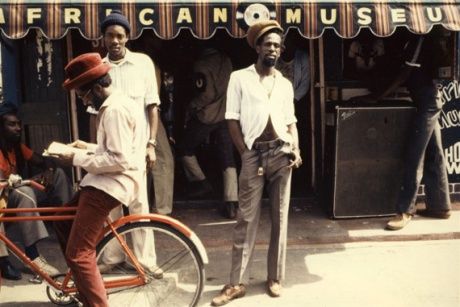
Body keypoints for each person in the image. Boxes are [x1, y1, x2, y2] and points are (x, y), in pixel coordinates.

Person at [211, 20, 302, 306]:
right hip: (254, 154)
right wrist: (245, 153)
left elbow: (291, 121)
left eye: (277, 44)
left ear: (281, 49)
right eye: (268, 44)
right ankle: (236, 283)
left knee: (280, 217)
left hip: (282, 153)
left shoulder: (285, 84)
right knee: (246, 220)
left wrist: (295, 148)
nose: (272, 49)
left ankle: (275, 277)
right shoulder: (240, 78)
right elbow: (231, 118)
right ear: (257, 47)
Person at [53, 52, 145, 306]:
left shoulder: (114, 111)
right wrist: (86, 147)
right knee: (62, 222)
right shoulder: (117, 104)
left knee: (79, 253)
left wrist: (74, 158)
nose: (83, 100)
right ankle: (84, 287)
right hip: (102, 183)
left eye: (82, 94)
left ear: (96, 87)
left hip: (108, 187)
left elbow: (118, 160)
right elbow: (114, 149)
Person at [96, 10, 172, 273]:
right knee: (112, 205)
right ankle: (113, 258)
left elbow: (153, 106)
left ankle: (145, 262)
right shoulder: (99, 68)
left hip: (138, 148)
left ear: (128, 37)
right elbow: (94, 113)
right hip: (110, 149)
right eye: (110, 36)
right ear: (103, 38)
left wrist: (151, 144)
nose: (114, 41)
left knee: (140, 204)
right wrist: (96, 150)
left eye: (119, 36)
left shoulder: (143, 64)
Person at [353, 30, 451, 230]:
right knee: (434, 152)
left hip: (428, 103)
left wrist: (378, 96)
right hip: (428, 101)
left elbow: (405, 73)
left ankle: (405, 210)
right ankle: (440, 206)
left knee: (414, 155)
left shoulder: (420, 38)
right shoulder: (412, 39)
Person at [0, 103, 72, 280]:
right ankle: (29, 257)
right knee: (25, 192)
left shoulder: (16, 147)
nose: (18, 128)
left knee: (59, 175)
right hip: (3, 199)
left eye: (18, 124)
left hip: (13, 194)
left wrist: (49, 170)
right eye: (11, 124)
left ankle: (68, 227)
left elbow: (43, 160)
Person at [178, 48, 238, 218]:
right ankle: (232, 201)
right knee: (228, 158)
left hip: (207, 116)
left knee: (184, 147)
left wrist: (193, 105)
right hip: (227, 113)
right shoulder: (227, 59)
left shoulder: (200, 65)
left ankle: (200, 182)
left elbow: (206, 94)